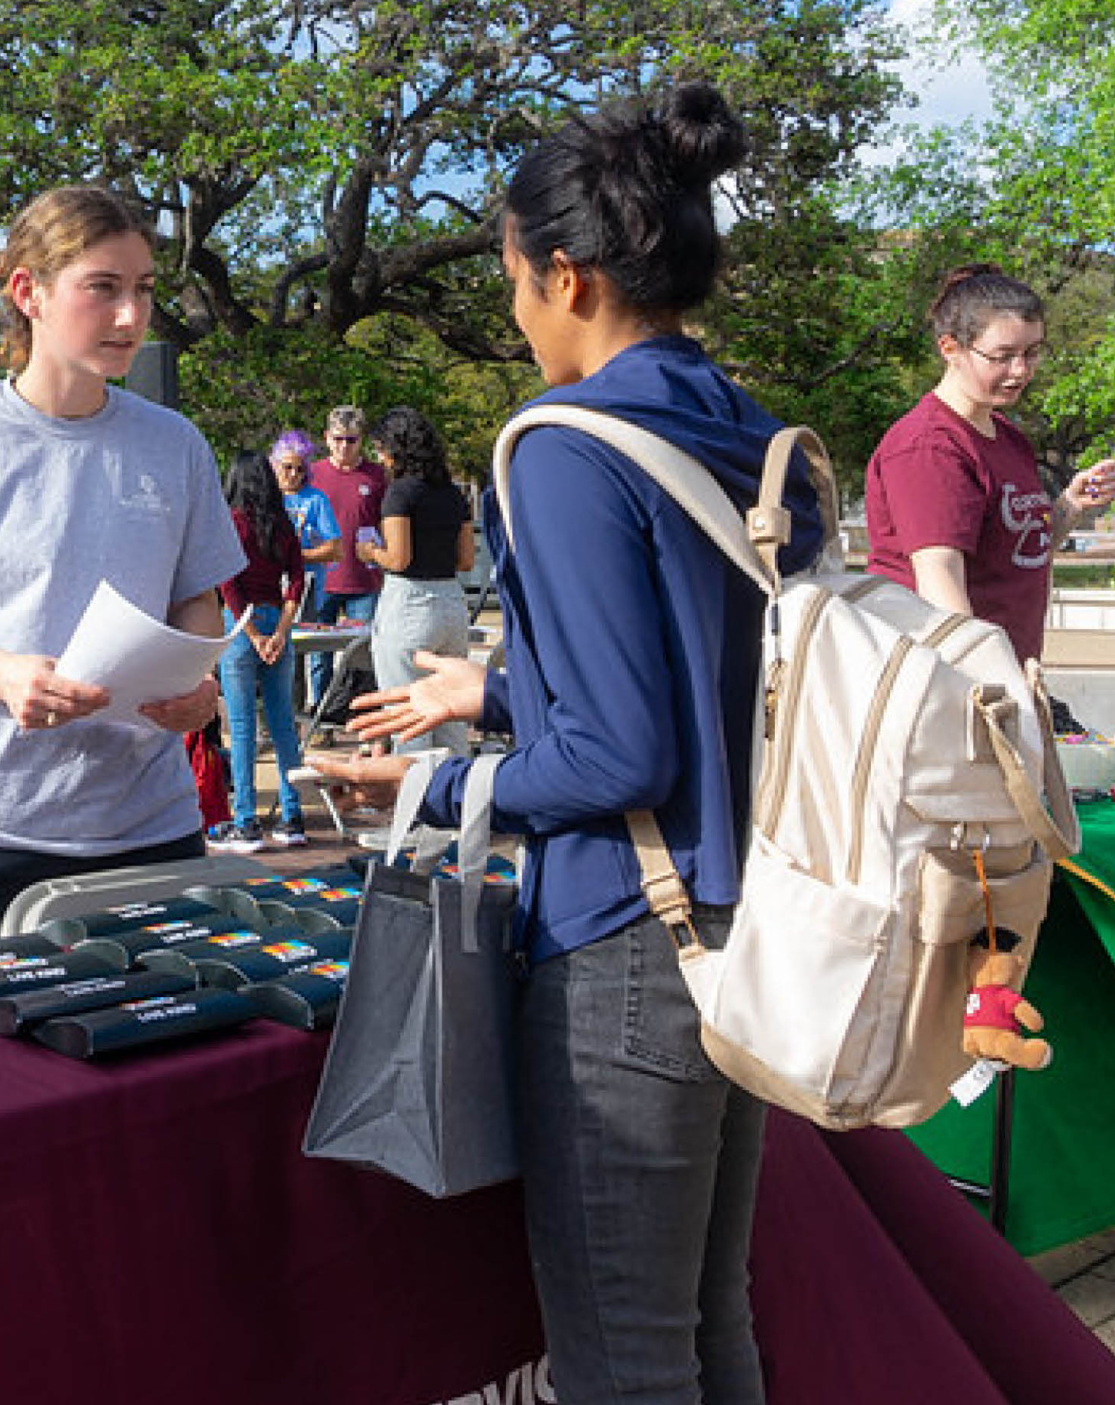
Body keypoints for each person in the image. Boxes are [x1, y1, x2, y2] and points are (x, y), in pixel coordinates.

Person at [310, 82, 822, 1405]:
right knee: (711, 1318)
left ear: (569, 274)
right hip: (747, 914)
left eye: (517, 282)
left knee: (620, 1353)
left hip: (625, 938)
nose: (518, 312)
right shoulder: (749, 429)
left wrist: (430, 780)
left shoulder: (562, 445)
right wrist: (489, 697)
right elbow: (697, 685)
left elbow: (614, 758)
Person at [0, 185, 245, 950]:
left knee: (159, 1065)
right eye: (103, 288)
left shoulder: (176, 444)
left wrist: (198, 688)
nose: (131, 317)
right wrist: (2, 675)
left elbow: (197, 599)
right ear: (26, 292)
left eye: (144, 291)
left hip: (151, 831)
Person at [863, 266, 1115, 664]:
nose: (1021, 371)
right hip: (950, 683)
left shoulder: (1007, 435)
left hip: (1012, 672)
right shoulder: (928, 447)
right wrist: (987, 685)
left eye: (1032, 352)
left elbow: (1020, 551)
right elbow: (941, 585)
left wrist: (1070, 506)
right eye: (1002, 357)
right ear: (950, 349)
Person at [355, 405, 475, 755]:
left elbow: (399, 558)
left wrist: (369, 552)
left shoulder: (401, 493)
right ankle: (457, 804)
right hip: (451, 602)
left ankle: (415, 804)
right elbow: (466, 560)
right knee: (451, 718)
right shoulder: (454, 494)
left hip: (410, 603)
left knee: (407, 718)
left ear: (395, 449)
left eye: (380, 449)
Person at [213, 450, 312, 852]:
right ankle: (293, 817)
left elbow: (228, 584)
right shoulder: (284, 524)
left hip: (242, 626)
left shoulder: (231, 524)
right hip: (277, 618)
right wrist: (281, 631)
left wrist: (250, 633)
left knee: (241, 726)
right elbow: (297, 582)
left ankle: (246, 819)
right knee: (282, 722)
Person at [304, 405, 388, 703]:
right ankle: (321, 714)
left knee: (362, 655)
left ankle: (359, 716)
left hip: (364, 581)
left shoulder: (377, 476)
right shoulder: (311, 474)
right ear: (327, 438)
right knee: (318, 657)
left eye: (351, 440)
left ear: (361, 440)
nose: (344, 446)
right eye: (338, 439)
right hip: (321, 581)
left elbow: (388, 525)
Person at [273, 429, 343, 618]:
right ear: (275, 465)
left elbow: (335, 550)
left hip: (306, 590)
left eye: (300, 469)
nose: (294, 474)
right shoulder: (267, 497)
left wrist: (296, 556)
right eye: (288, 467)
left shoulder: (316, 500)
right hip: (269, 588)